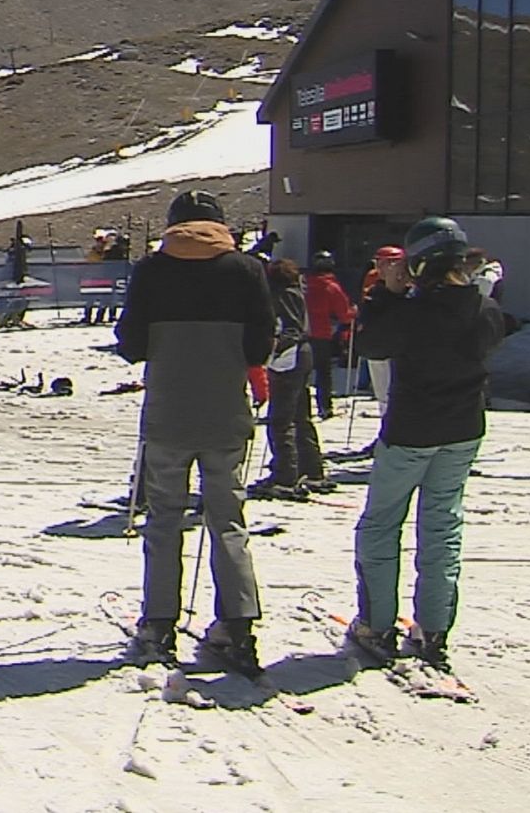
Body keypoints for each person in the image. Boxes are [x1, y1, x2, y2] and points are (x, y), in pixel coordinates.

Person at [114, 190, 274, 673]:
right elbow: (261, 346)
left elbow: (131, 344)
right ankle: (238, 626)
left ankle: (159, 625)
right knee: (228, 520)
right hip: (226, 412)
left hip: (168, 412)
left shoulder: (151, 270)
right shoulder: (246, 269)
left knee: (164, 519)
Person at [349, 217, 505, 673]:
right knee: (441, 528)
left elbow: (373, 344)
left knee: (382, 525)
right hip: (462, 430)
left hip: (411, 431)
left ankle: (376, 625)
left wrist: (387, 293)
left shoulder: (412, 311)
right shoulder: (483, 308)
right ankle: (434, 628)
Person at [250, 258, 329, 501]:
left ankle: (285, 476)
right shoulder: (297, 291)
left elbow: (289, 328)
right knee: (299, 415)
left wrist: (269, 349)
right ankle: (312, 469)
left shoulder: (282, 294)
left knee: (281, 420)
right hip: (302, 354)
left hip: (288, 357)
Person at [305, 250, 354, 420]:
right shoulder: (331, 287)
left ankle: (301, 408)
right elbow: (344, 313)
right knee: (323, 372)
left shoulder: (305, 285)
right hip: (323, 334)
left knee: (302, 373)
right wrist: (354, 313)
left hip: (304, 333)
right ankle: (324, 406)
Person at [361, 246, 405, 422]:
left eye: (383, 262)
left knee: (394, 394)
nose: (378, 266)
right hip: (375, 345)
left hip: (397, 349)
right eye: (377, 262)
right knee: (381, 393)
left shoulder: (407, 287)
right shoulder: (373, 280)